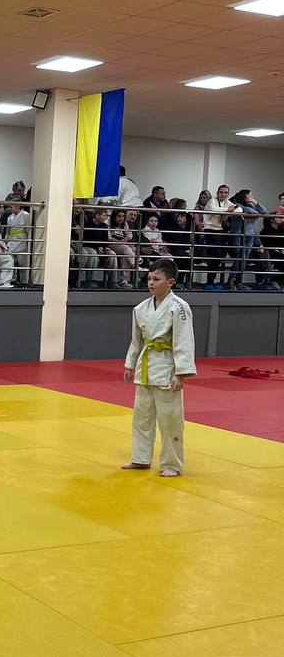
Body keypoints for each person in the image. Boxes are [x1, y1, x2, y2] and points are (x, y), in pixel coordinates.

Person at [122, 258, 196, 479]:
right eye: (149, 279)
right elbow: (136, 340)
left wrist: (181, 374)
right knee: (141, 417)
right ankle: (141, 458)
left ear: (170, 282)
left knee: (170, 420)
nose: (151, 283)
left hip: (167, 367)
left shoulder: (179, 307)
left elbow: (184, 340)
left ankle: (171, 463)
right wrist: (129, 364)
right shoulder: (140, 308)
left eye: (156, 279)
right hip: (145, 366)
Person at [201, 185, 241, 290]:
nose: (223, 194)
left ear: (228, 194)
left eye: (226, 192)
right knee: (215, 256)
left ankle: (212, 281)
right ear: (217, 193)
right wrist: (227, 210)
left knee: (221, 255)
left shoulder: (227, 202)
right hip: (211, 230)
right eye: (221, 192)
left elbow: (239, 209)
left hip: (222, 231)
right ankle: (209, 281)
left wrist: (225, 211)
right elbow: (214, 209)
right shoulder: (212, 201)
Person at [4, 197, 32, 286]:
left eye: (12, 206)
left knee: (22, 263)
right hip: (12, 241)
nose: (11, 208)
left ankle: (24, 281)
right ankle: (11, 279)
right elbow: (8, 232)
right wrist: (5, 242)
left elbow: (29, 230)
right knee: (10, 262)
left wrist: (28, 242)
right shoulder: (10, 218)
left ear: (17, 206)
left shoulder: (25, 215)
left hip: (22, 241)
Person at [106, 209, 136, 289]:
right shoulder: (108, 222)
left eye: (123, 216)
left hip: (122, 245)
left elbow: (130, 235)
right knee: (126, 249)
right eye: (119, 216)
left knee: (125, 256)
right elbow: (108, 237)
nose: (121, 218)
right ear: (114, 216)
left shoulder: (125, 224)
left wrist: (125, 238)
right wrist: (119, 242)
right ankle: (135, 265)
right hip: (111, 245)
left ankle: (123, 280)